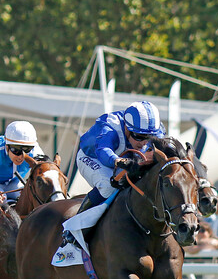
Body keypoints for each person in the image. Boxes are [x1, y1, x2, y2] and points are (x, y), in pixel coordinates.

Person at [62, 101, 166, 245]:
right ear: (127, 128)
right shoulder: (110, 125)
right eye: (139, 137)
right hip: (93, 157)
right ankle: (75, 227)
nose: (143, 143)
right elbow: (103, 151)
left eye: (148, 138)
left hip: (126, 157)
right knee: (108, 185)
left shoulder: (156, 129)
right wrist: (118, 161)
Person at [0, 121, 45, 205]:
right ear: (7, 147)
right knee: (2, 199)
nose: (21, 156)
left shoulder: (35, 151)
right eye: (16, 150)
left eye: (26, 150)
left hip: (15, 183)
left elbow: (48, 170)